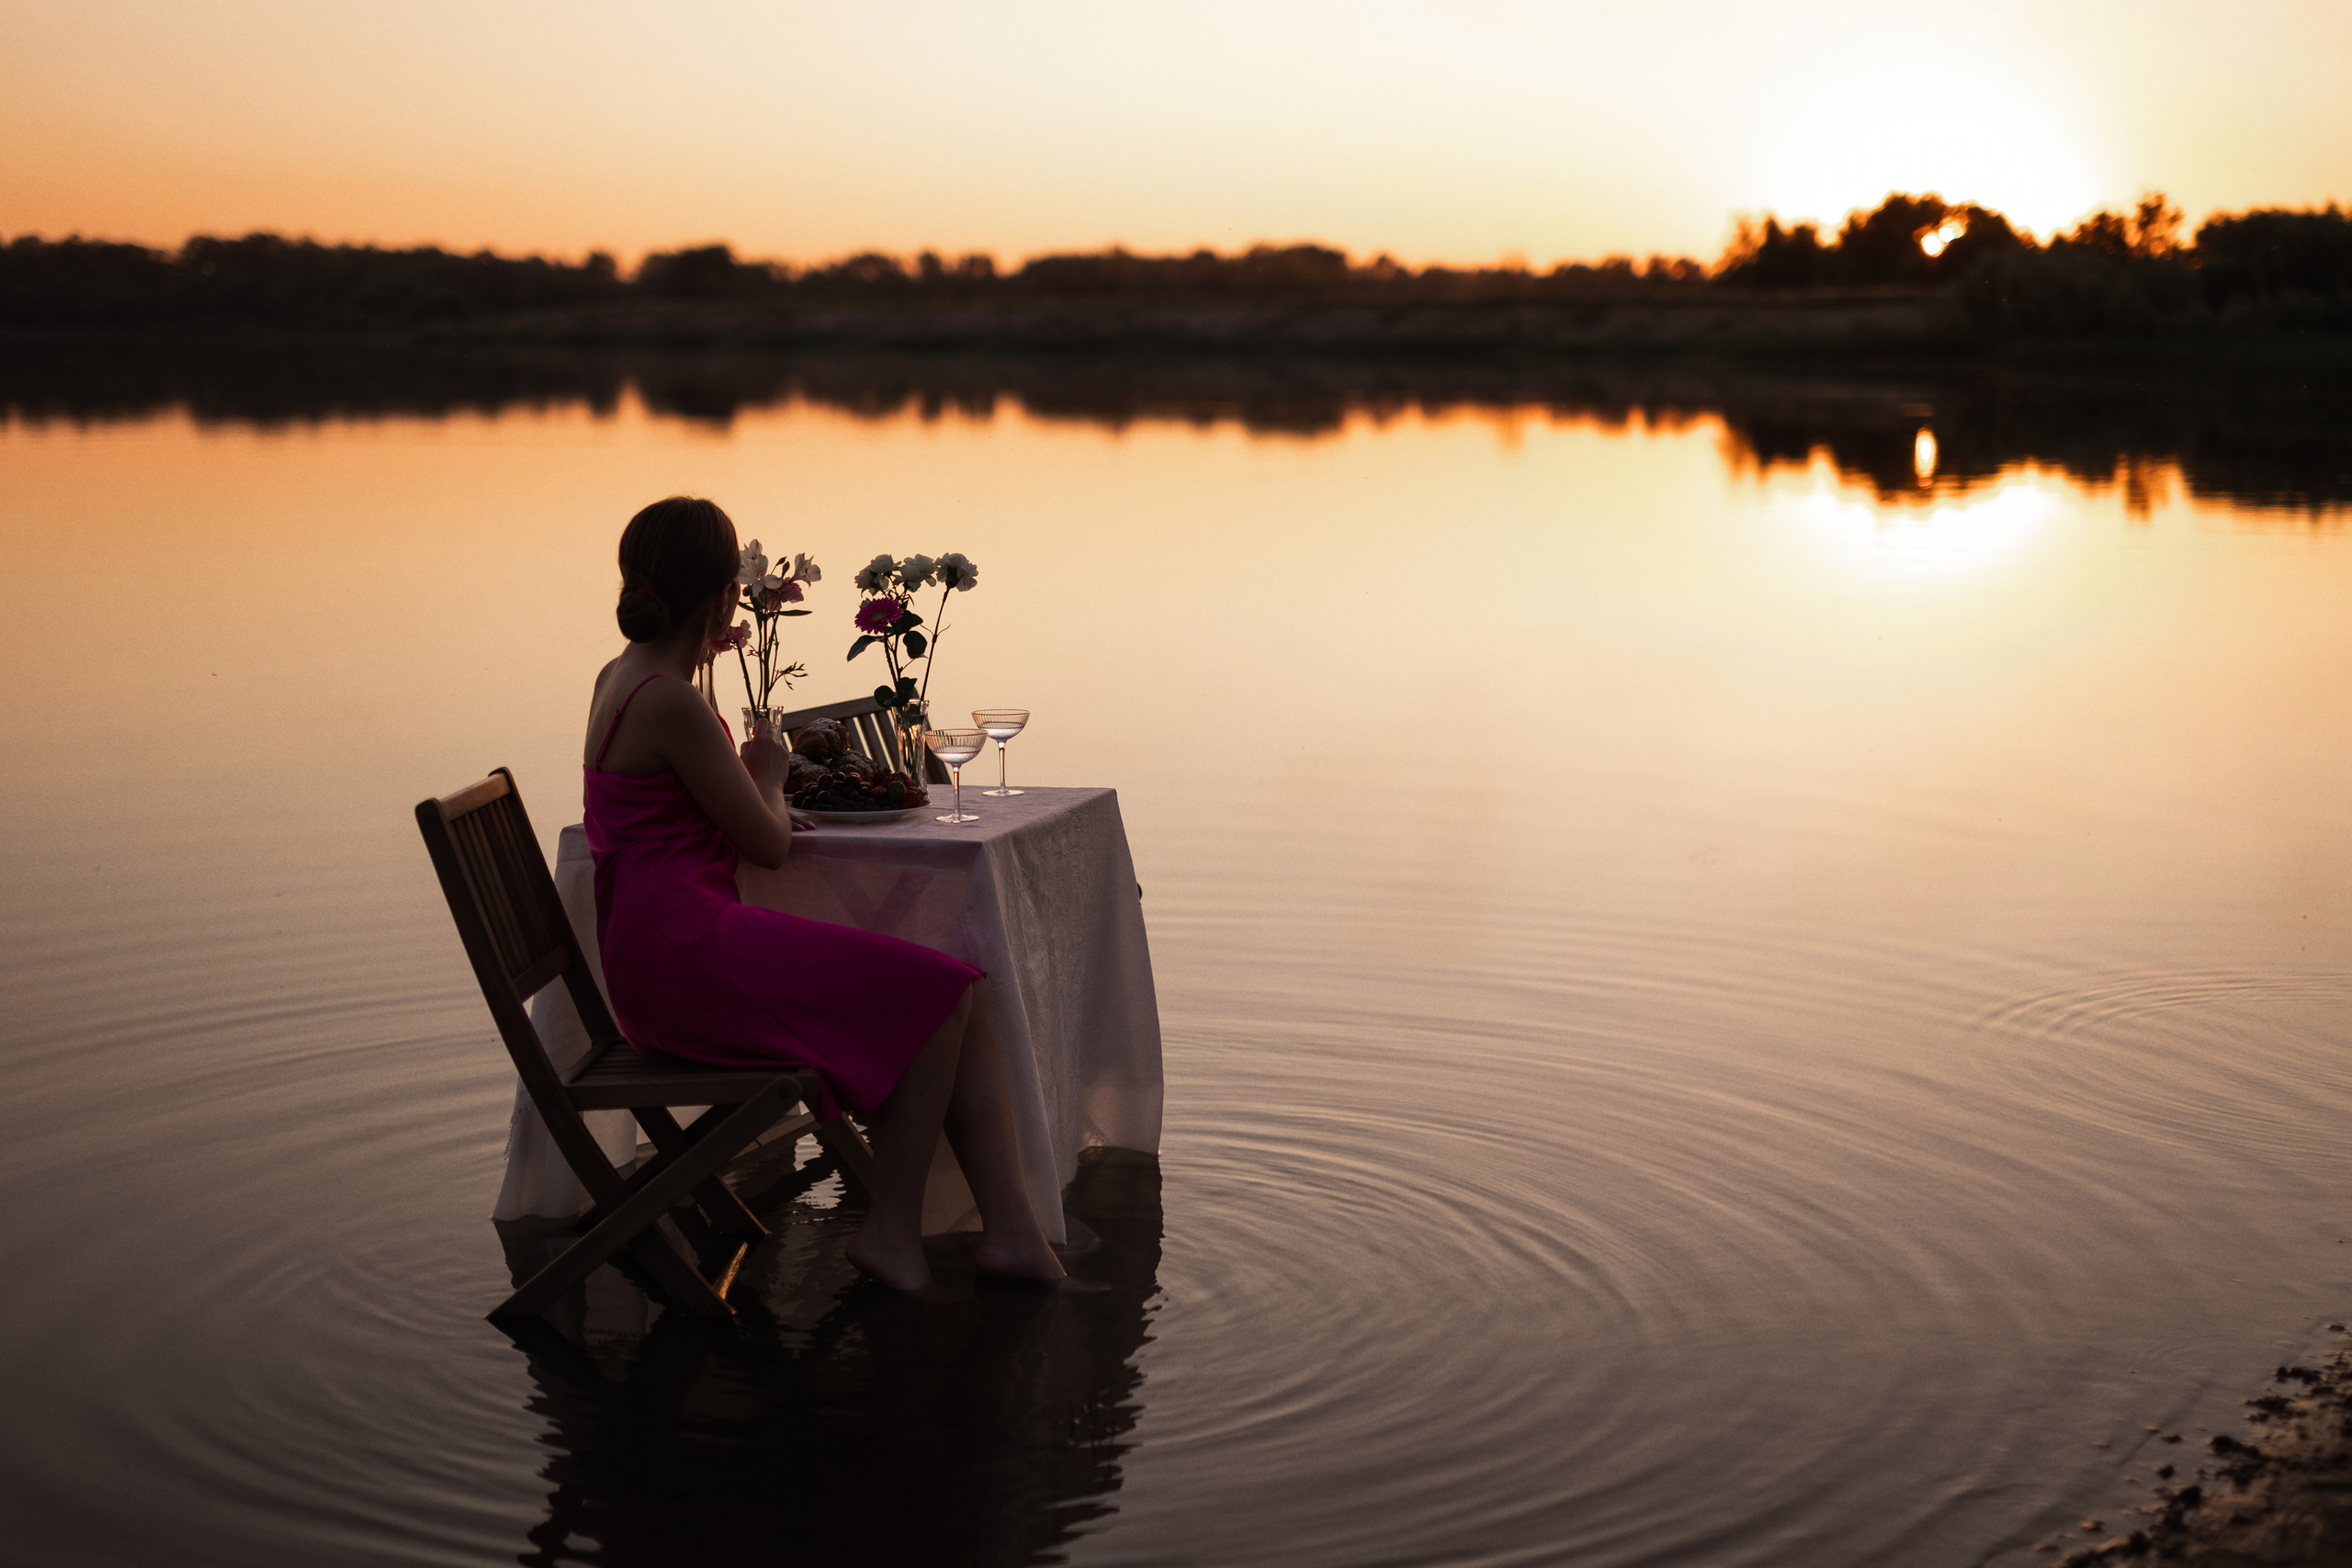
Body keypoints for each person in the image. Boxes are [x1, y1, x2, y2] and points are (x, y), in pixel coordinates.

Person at [582, 495, 1064, 1293]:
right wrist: (766, 776)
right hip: (684, 958)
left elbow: (686, 821)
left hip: (653, 951)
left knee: (956, 992)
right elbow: (767, 845)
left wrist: (752, 791)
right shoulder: (673, 701)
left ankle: (1012, 1234)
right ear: (725, 602)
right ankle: (889, 1235)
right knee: (939, 998)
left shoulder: (619, 678)